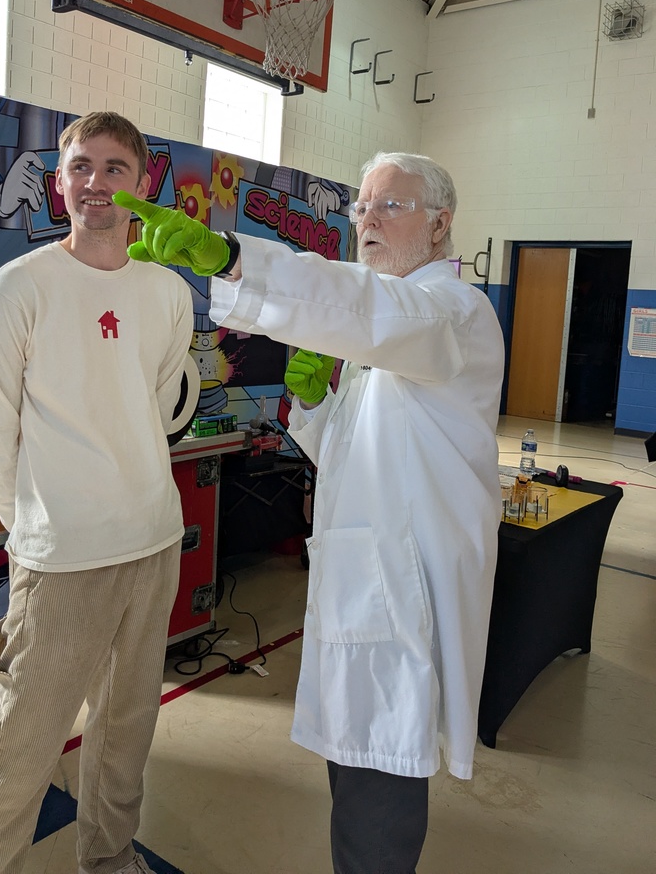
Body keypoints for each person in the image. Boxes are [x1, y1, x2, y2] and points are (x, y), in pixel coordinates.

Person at [113, 150, 505, 874]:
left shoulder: (453, 311)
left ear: (441, 222)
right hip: (364, 588)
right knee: (352, 780)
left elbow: (367, 305)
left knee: (376, 798)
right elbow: (358, 461)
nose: (366, 221)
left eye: (389, 205)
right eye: (360, 207)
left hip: (401, 602)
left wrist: (231, 257)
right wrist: (321, 404)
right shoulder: (390, 329)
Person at [0, 112, 193, 874]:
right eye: (81, 167)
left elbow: (159, 411)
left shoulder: (168, 291)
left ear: (143, 184)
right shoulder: (20, 287)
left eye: (115, 168)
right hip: (61, 564)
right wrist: (39, 529)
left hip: (151, 547)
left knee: (125, 734)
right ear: (59, 182)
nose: (96, 183)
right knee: (20, 749)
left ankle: (109, 858)